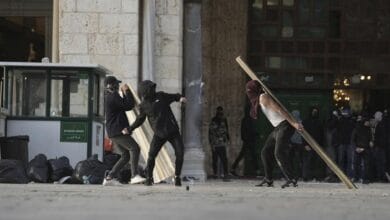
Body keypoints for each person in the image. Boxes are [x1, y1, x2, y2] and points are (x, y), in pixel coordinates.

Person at [245, 80, 303, 188]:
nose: (249, 93)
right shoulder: (260, 98)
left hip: (285, 125)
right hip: (277, 128)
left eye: (250, 91)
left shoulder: (263, 97)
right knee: (265, 152)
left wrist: (294, 123)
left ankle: (292, 178)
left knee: (278, 152)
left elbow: (280, 110)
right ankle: (269, 179)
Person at [128, 80, 186, 186]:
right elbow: (140, 120)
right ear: (145, 91)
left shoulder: (161, 96)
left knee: (180, 153)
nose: (153, 90)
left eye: (153, 87)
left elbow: (175, 96)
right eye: (150, 88)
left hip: (173, 131)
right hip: (159, 134)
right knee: (151, 156)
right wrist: (130, 129)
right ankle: (149, 178)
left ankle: (177, 177)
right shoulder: (143, 105)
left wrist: (181, 98)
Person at [103, 76, 146, 186]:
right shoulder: (113, 96)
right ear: (111, 85)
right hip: (117, 131)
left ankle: (109, 177)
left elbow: (124, 105)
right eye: (116, 84)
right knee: (135, 148)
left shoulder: (109, 96)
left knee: (125, 156)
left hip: (113, 131)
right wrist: (126, 91)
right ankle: (134, 175)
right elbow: (128, 105)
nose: (118, 86)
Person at [230, 106, 260, 177]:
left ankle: (233, 169)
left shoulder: (247, 119)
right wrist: (255, 135)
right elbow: (248, 131)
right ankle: (257, 171)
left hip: (248, 140)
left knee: (246, 155)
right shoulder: (247, 120)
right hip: (249, 141)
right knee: (252, 155)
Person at [302, 107, 325, 181]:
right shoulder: (306, 121)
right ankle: (306, 177)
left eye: (316, 111)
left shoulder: (319, 122)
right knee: (308, 161)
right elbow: (303, 134)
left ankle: (317, 177)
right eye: (313, 111)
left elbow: (322, 134)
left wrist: (321, 145)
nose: (314, 113)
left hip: (318, 145)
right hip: (308, 144)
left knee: (317, 162)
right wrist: (305, 144)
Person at [209, 106, 231, 181]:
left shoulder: (224, 120)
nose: (220, 113)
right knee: (215, 159)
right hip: (216, 143)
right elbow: (211, 133)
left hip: (221, 143)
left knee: (224, 160)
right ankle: (216, 174)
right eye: (219, 111)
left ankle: (225, 174)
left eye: (221, 111)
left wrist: (228, 139)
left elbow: (226, 130)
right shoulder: (214, 120)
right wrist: (212, 144)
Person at [351, 115, 371, 184]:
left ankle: (363, 178)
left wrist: (362, 148)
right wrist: (357, 148)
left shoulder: (367, 129)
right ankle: (358, 177)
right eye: (367, 122)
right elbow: (353, 140)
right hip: (359, 148)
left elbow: (369, 140)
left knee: (365, 164)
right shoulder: (358, 129)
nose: (368, 123)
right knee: (358, 164)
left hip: (364, 148)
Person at [372, 111, 387, 182]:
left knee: (379, 162)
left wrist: (375, 144)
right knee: (382, 162)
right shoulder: (383, 124)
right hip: (383, 146)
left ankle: (380, 177)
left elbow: (377, 136)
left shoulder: (380, 125)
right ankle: (382, 177)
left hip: (379, 146)